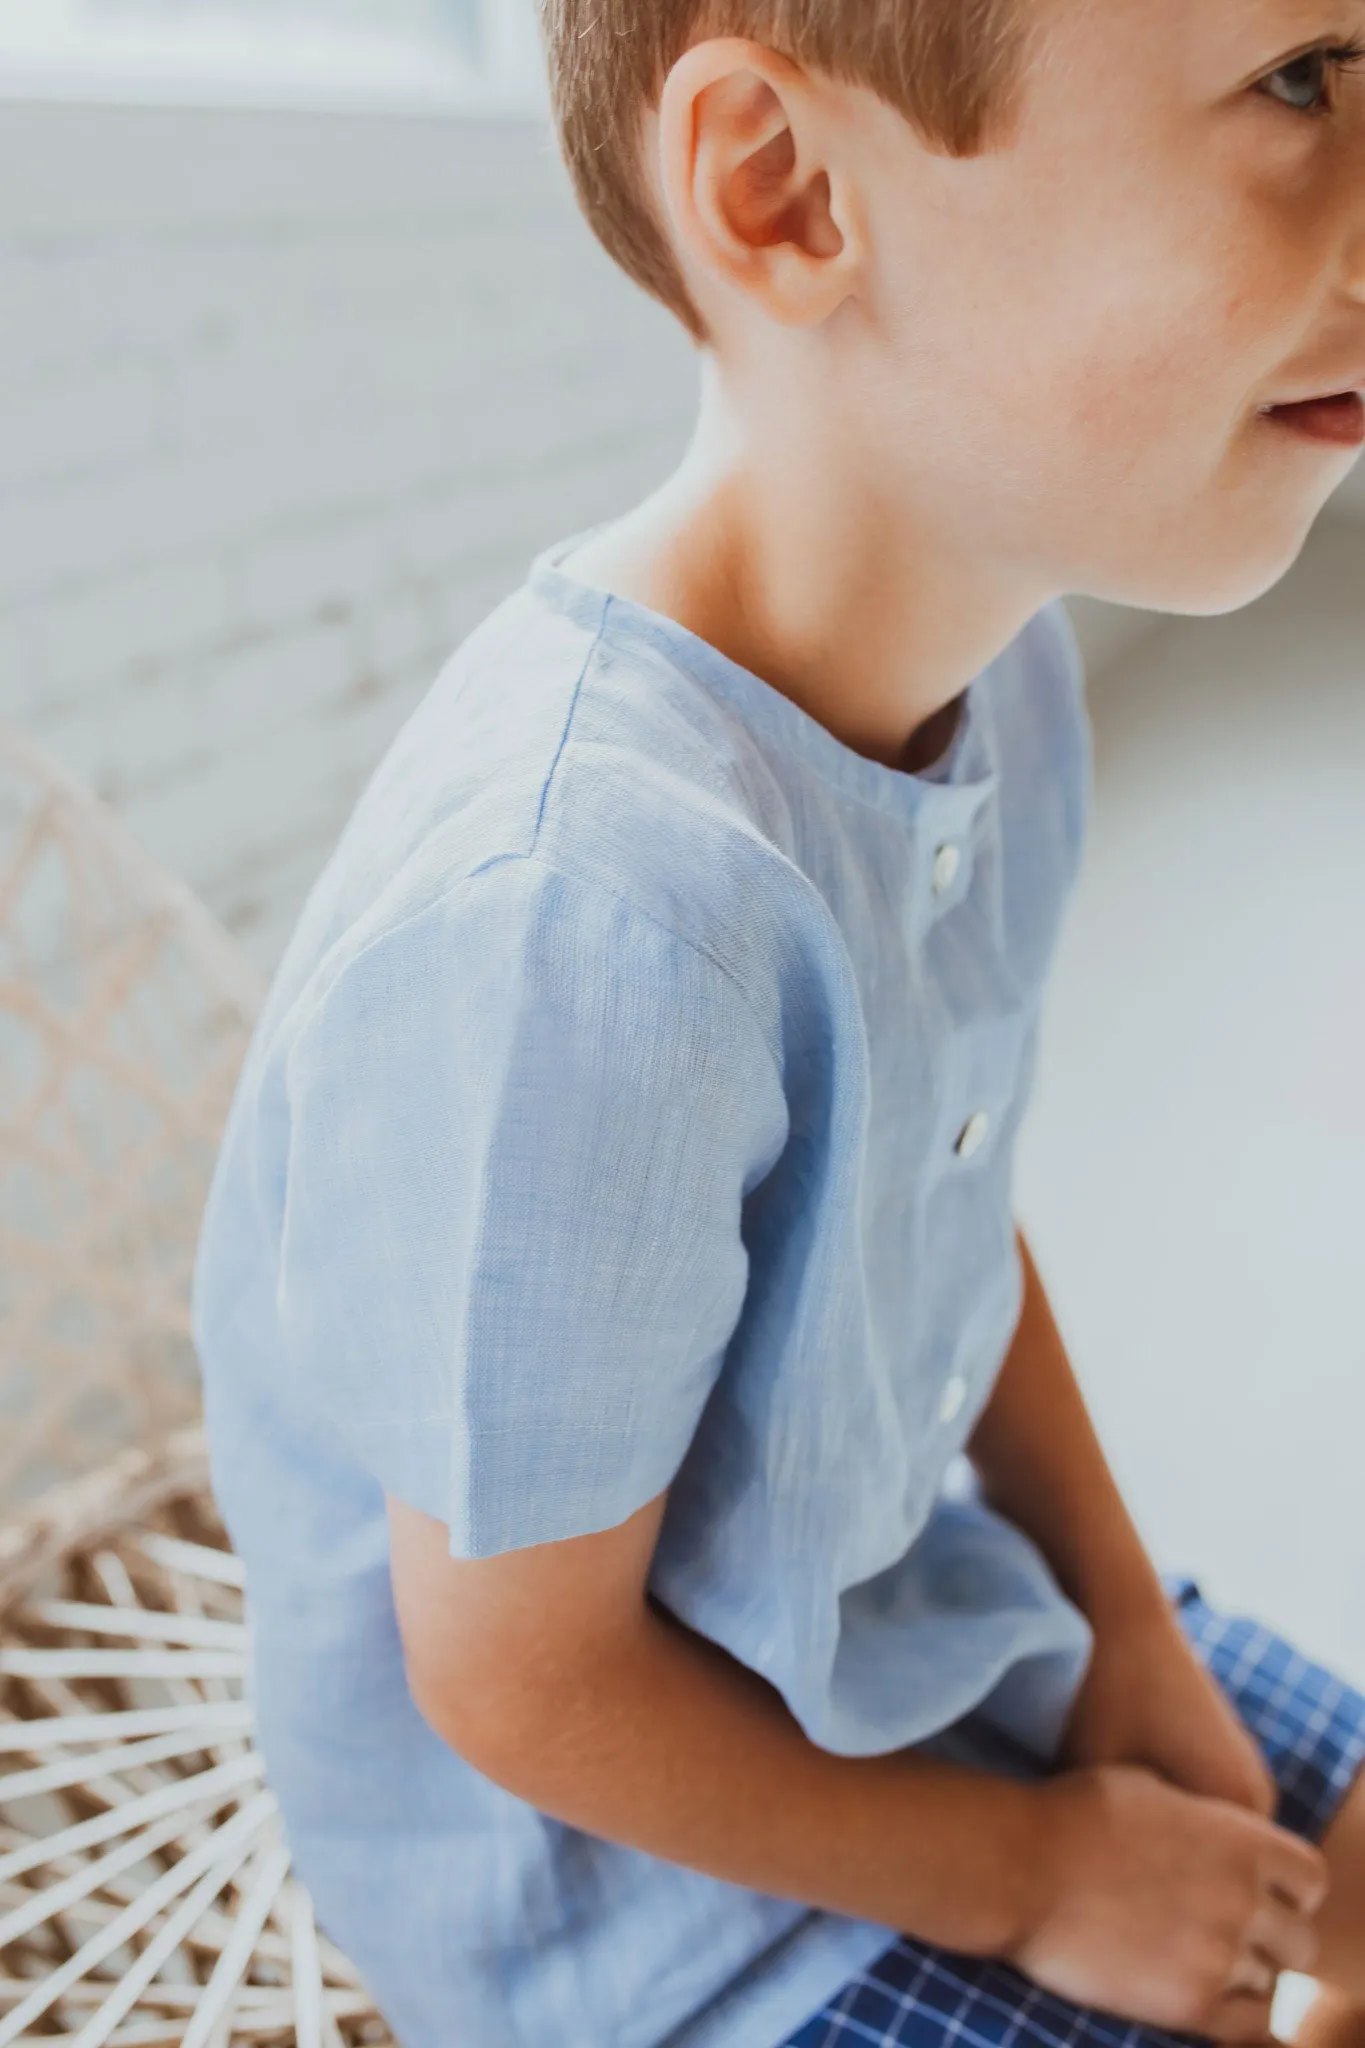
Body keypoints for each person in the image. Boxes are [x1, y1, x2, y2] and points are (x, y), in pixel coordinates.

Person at [190, 1, 1365, 2043]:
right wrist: (1041, 1865)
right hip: (655, 1911)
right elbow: (520, 1682)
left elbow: (939, 1197)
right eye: (1298, 82)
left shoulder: (1000, 679)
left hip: (901, 1627)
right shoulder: (582, 920)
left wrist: (1116, 1624)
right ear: (783, 190)